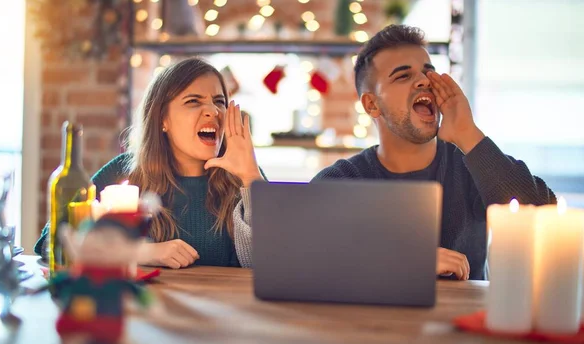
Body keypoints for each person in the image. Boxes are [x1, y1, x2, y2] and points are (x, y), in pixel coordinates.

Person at [312, 25, 555, 281]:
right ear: (372, 105)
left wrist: (468, 133)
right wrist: (407, 261)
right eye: (403, 76)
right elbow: (307, 258)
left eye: (429, 72)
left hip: (463, 320)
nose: (425, 81)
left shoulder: (471, 167)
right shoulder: (342, 181)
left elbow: (545, 220)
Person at [35, 58, 264, 268]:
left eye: (219, 101)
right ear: (162, 118)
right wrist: (143, 252)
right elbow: (52, 243)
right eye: (193, 101)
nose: (213, 111)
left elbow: (272, 263)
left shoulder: (245, 176)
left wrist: (252, 179)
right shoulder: (124, 172)